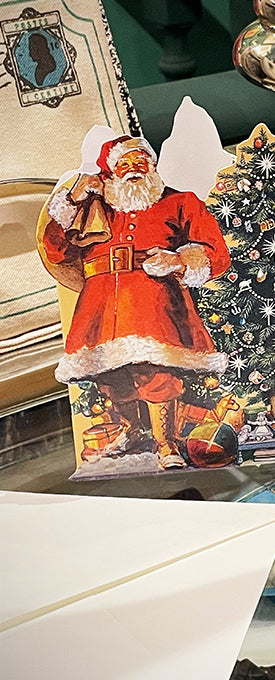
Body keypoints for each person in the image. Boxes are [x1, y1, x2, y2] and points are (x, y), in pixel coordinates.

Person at [40, 135, 231, 469]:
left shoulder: (179, 201)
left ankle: (166, 444)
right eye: (124, 163)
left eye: (140, 161)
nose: (133, 169)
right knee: (109, 376)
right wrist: (72, 198)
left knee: (155, 372)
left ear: (152, 166)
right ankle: (133, 430)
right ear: (110, 172)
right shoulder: (93, 209)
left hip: (153, 300)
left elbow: (217, 251)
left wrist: (178, 260)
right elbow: (54, 249)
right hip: (100, 303)